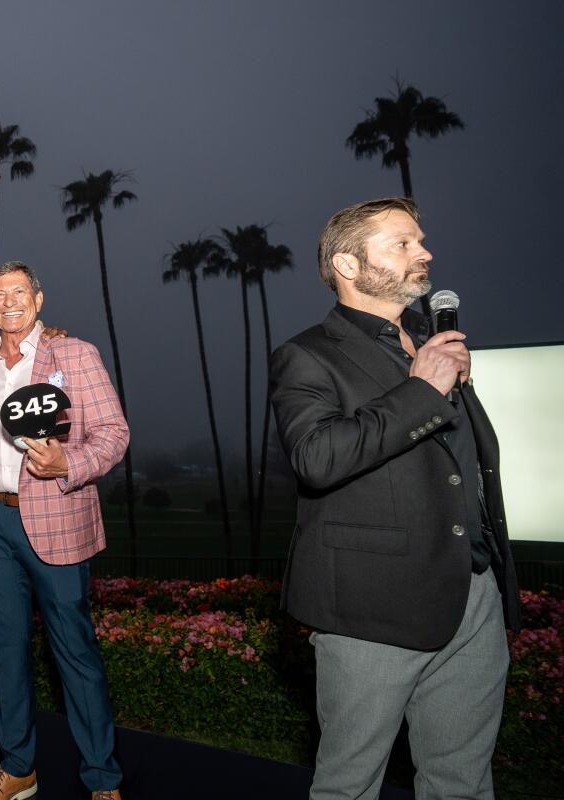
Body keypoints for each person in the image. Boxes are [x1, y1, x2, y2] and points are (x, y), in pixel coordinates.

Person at [269, 198, 519, 800]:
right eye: (402, 244)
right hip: (370, 604)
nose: (424, 253)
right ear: (348, 265)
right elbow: (317, 459)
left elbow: (463, 468)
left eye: (421, 241)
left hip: (474, 591)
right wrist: (422, 389)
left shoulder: (430, 346)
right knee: (349, 785)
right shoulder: (309, 354)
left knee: (462, 780)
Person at [0, 261, 129, 800]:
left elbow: (113, 433)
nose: (9, 301)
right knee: (5, 651)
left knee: (75, 652)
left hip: (58, 522)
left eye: (19, 292)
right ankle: (17, 768)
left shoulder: (75, 355)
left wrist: (70, 464)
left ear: (38, 301)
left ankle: (103, 779)